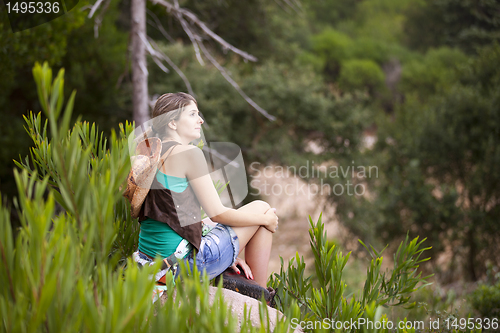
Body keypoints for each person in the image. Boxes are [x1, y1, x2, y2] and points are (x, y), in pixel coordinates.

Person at [133, 92, 279, 290]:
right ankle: (261, 297)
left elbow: (175, 216)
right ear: (172, 123)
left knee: (245, 215)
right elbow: (218, 213)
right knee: (262, 209)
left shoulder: (155, 152)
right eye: (192, 114)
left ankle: (236, 270)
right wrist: (266, 221)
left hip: (151, 260)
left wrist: (229, 254)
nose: (200, 120)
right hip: (183, 264)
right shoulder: (188, 153)